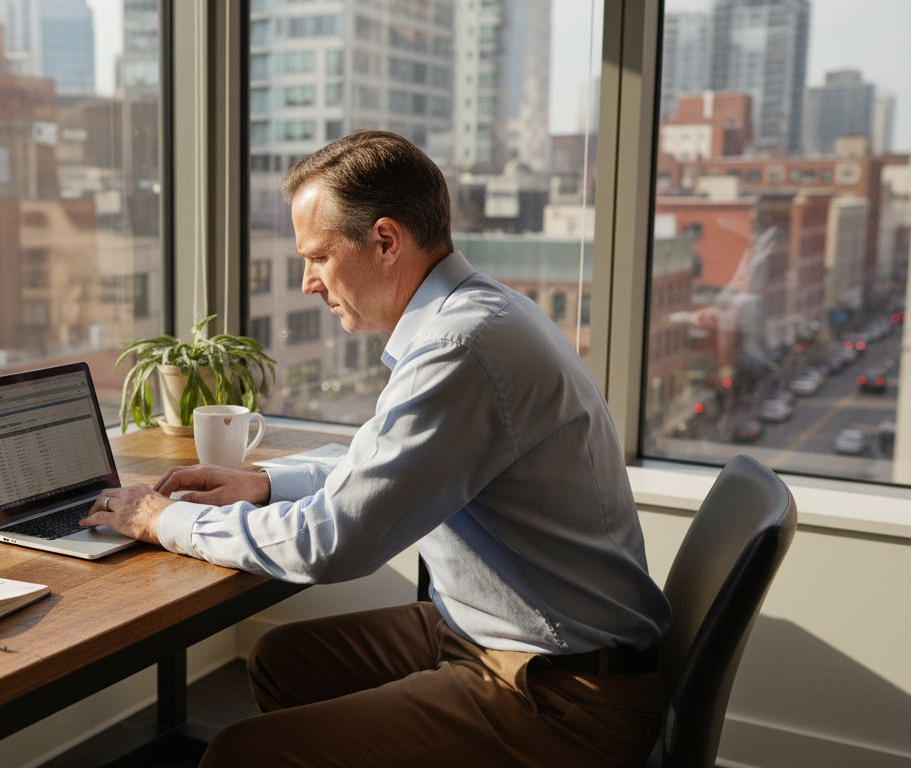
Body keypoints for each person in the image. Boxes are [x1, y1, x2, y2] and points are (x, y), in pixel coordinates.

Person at [80, 131, 671, 766]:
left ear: (386, 241)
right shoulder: (474, 316)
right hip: (502, 636)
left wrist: (163, 519)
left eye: (318, 257)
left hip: (559, 691)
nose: (308, 282)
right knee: (286, 660)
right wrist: (265, 485)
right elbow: (379, 463)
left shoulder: (460, 349)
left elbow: (332, 542)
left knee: (241, 753)